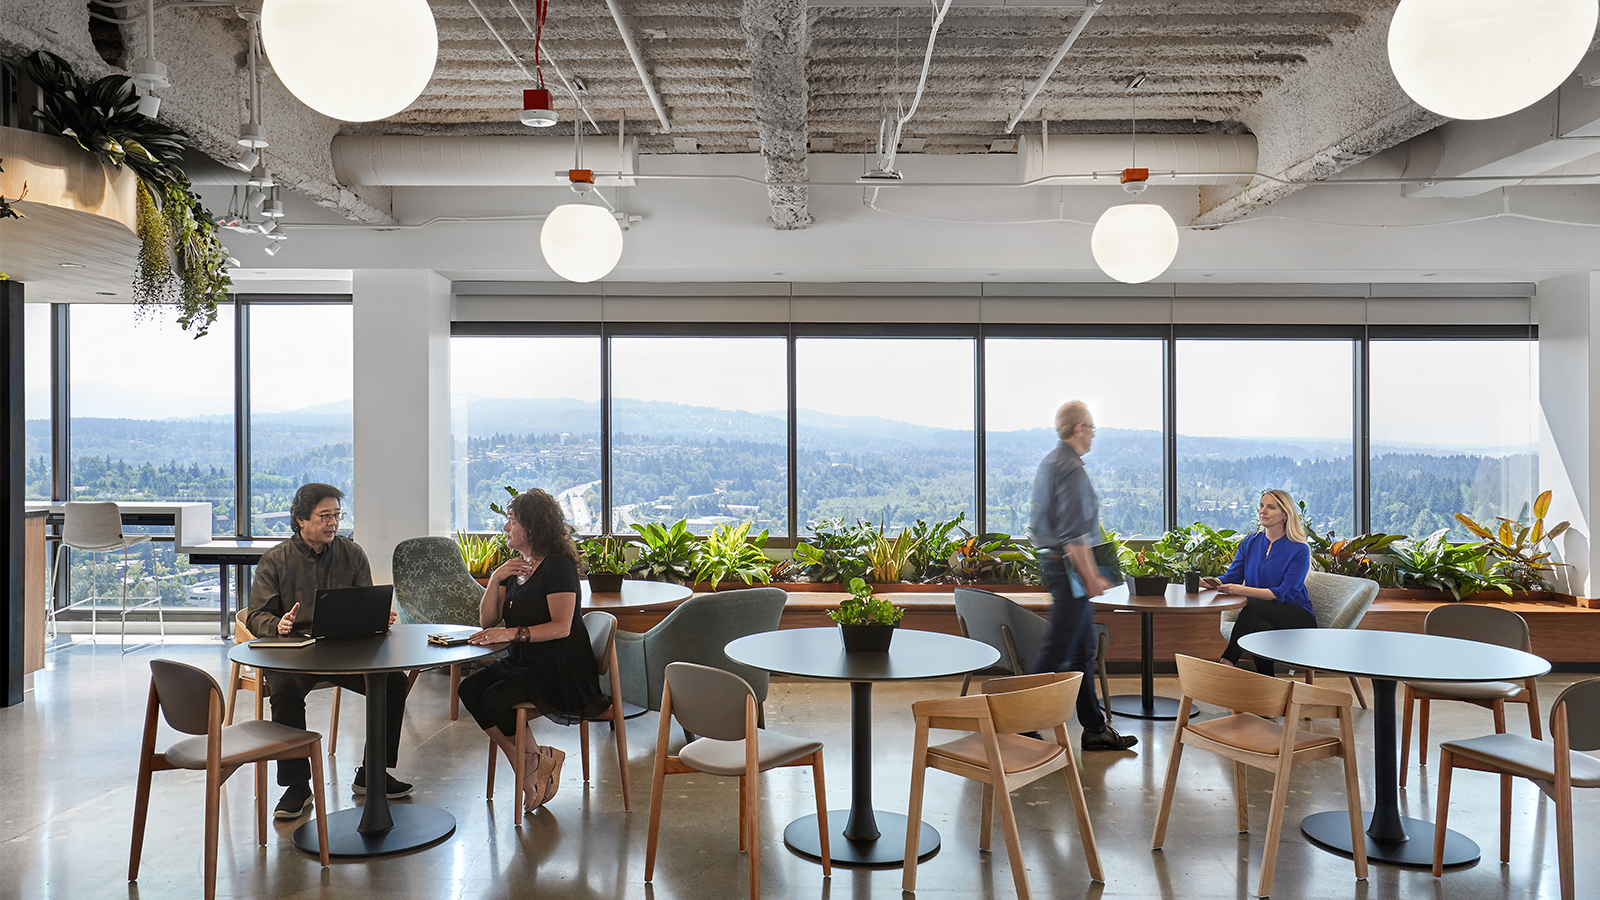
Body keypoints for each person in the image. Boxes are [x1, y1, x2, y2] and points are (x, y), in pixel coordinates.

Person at [245, 483, 411, 820]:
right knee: (285, 691)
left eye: (336, 515)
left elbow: (364, 601)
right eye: (324, 516)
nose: (333, 523)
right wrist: (278, 625)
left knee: (393, 682)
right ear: (300, 520)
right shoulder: (275, 560)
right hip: (294, 653)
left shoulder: (352, 553)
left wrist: (377, 616)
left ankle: (372, 773)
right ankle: (297, 786)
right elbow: (256, 615)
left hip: (344, 651)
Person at [460, 489, 609, 812]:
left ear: (532, 526)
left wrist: (511, 633)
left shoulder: (558, 567)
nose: (506, 528)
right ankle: (535, 762)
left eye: (512, 521)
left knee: (495, 701)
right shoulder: (515, 568)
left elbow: (562, 627)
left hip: (560, 667)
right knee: (469, 689)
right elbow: (487, 620)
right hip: (524, 662)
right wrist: (495, 578)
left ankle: (530, 771)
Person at [1029, 400, 1138, 751]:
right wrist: (1091, 577)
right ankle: (1018, 723)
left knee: (1081, 648)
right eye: (1091, 428)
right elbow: (1074, 536)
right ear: (1078, 429)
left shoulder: (1051, 462)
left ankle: (1094, 728)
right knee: (1058, 650)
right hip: (1070, 572)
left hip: (1057, 567)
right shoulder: (1072, 469)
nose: (1092, 435)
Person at [1205, 489, 1315, 676]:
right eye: (1262, 506)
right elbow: (1232, 576)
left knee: (1254, 606)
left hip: (1296, 616)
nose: (1263, 511)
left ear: (1285, 514)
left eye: (1271, 507)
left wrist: (1242, 590)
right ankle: (1268, 681)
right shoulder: (1250, 542)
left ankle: (1227, 662)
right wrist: (1209, 583)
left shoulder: (1299, 549)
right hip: (1260, 615)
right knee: (1260, 628)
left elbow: (1282, 593)